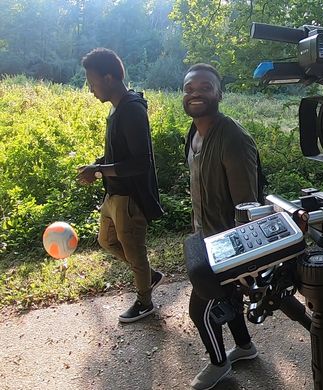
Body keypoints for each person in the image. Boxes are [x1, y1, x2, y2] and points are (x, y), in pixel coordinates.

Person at [182, 63, 261, 390]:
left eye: (204, 87)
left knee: (199, 311)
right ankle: (245, 347)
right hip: (204, 236)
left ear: (219, 94)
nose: (195, 93)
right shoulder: (194, 133)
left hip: (228, 245)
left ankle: (219, 364)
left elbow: (248, 206)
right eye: (189, 88)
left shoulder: (233, 139)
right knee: (225, 299)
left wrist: (244, 265)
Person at [77, 48, 165, 323]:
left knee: (135, 251)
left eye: (92, 83)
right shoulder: (118, 109)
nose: (91, 90)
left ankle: (144, 302)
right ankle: (148, 276)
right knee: (107, 241)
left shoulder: (131, 110)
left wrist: (100, 170)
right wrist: (98, 164)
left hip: (129, 197)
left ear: (109, 77)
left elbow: (141, 162)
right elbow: (121, 154)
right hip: (113, 193)